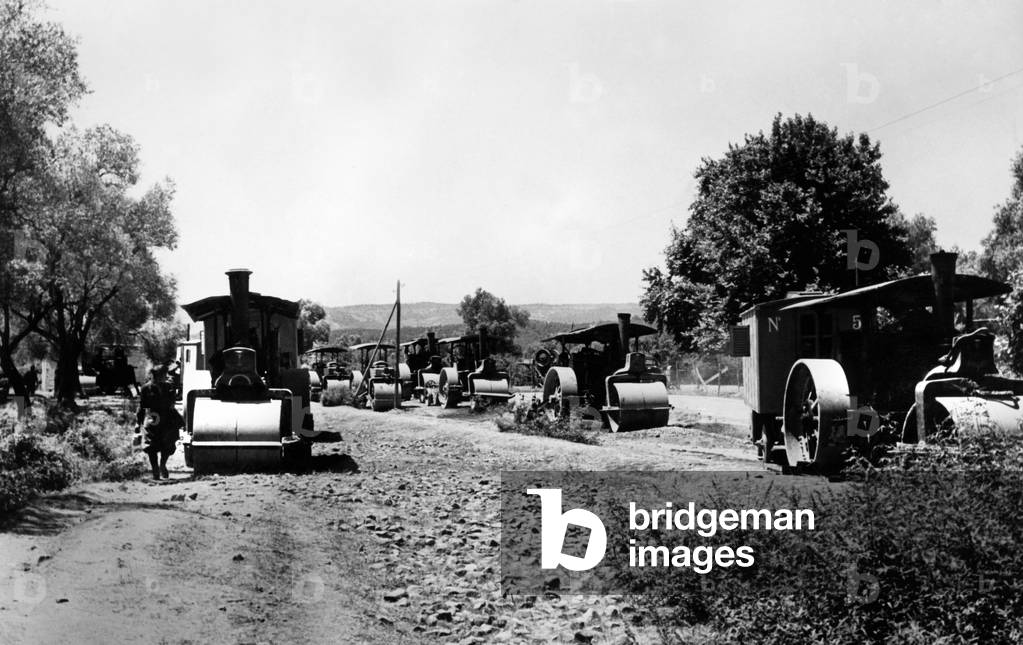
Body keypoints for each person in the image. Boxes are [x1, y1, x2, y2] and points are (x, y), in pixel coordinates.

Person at [135, 366, 184, 480]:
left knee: (165, 445)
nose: (162, 377)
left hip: (162, 418)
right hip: (156, 419)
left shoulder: (168, 386)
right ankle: (156, 469)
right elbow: (142, 406)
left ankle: (161, 465)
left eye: (163, 375)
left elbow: (172, 403)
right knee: (153, 446)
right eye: (161, 375)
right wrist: (138, 422)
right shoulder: (146, 388)